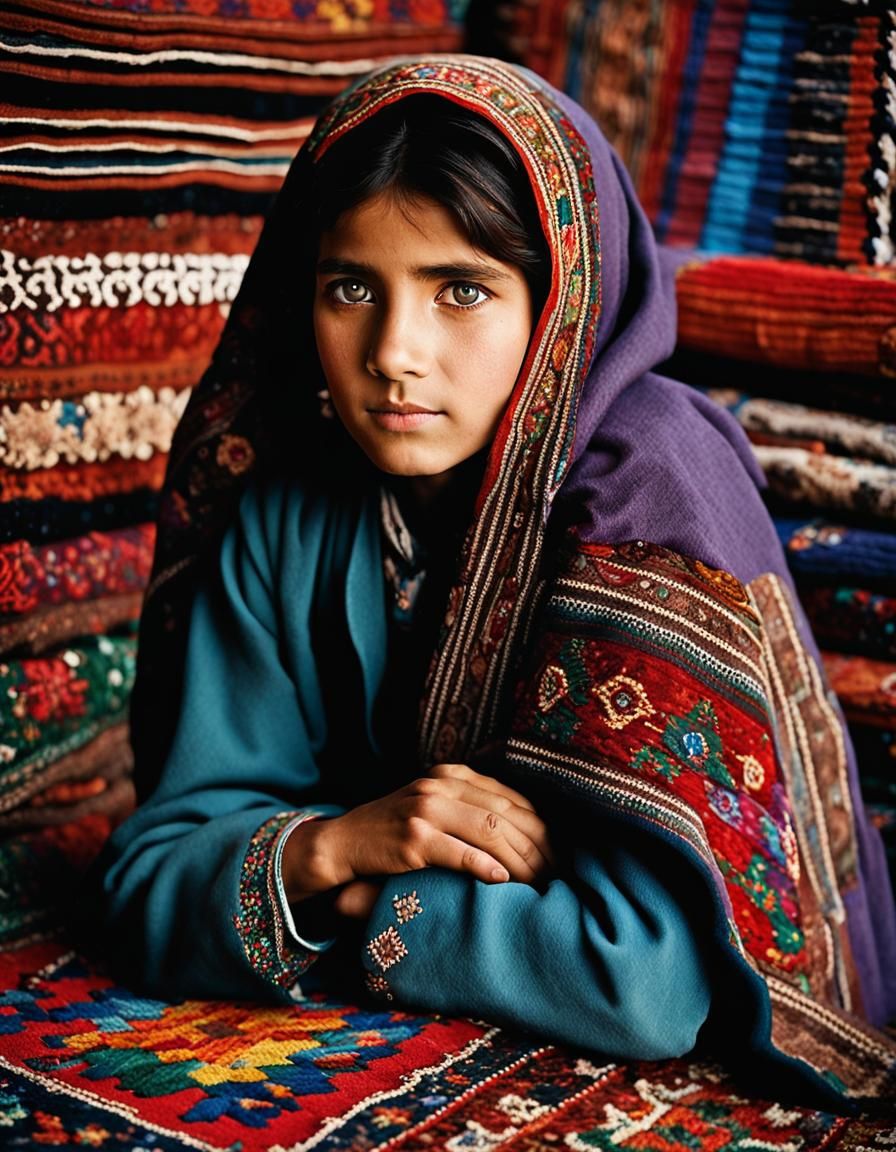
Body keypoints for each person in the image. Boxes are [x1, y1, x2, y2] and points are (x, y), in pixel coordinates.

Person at [100, 55, 896, 1107]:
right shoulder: (296, 505)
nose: (394, 352)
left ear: (562, 305)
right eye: (351, 288)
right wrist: (336, 843)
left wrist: (358, 898)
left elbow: (642, 982)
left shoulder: (645, 497)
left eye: (462, 290)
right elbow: (150, 877)